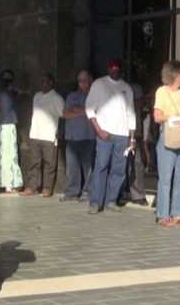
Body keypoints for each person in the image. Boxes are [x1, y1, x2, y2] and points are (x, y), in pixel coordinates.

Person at [85, 57, 136, 215]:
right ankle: (96, 202)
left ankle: (111, 201)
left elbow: (131, 114)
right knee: (101, 167)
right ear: (108, 68)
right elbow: (89, 109)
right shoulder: (99, 84)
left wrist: (132, 138)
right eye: (112, 67)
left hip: (122, 135)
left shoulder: (126, 88)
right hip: (105, 133)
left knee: (119, 169)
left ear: (121, 70)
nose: (115, 70)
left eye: (118, 67)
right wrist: (99, 131)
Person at [152, 60, 180, 226]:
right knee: (166, 178)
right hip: (168, 136)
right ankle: (162, 215)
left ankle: (178, 213)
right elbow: (157, 116)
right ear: (174, 74)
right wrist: (174, 118)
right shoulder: (161, 92)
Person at [22, 73, 65, 197]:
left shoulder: (57, 98)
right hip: (35, 134)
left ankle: (47, 188)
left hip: (48, 135)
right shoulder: (37, 96)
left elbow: (63, 115)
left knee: (49, 164)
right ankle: (32, 187)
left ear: (51, 82)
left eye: (44, 81)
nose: (41, 83)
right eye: (40, 81)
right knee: (34, 163)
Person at [0, 69, 24, 193]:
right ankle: (9, 184)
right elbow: (16, 107)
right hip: (7, 126)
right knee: (9, 156)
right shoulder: (8, 95)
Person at [60, 71, 95, 202]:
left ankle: (88, 192)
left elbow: (93, 112)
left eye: (85, 80)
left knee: (88, 168)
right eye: (80, 80)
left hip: (87, 137)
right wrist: (82, 112)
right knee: (72, 167)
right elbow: (64, 114)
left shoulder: (94, 96)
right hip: (72, 137)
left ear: (90, 81)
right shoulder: (72, 96)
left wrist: (77, 110)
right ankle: (72, 192)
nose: (82, 83)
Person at [123, 83, 151, 207]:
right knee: (119, 164)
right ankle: (118, 193)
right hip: (120, 132)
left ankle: (138, 194)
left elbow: (141, 104)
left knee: (137, 164)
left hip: (136, 132)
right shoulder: (117, 88)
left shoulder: (135, 87)